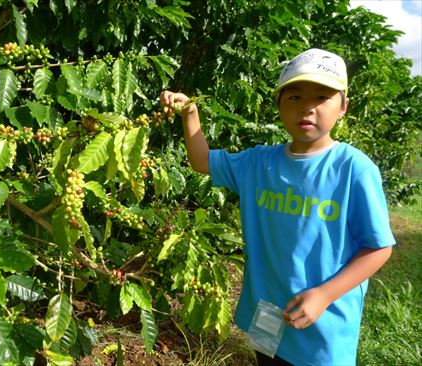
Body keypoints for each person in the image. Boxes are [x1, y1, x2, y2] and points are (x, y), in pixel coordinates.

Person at [160, 48, 395, 365]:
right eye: (295, 97)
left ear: (343, 107)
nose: (307, 108)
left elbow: (379, 247)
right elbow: (202, 161)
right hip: (267, 314)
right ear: (279, 105)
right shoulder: (258, 163)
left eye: (322, 97)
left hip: (323, 328)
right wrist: (190, 114)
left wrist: (324, 295)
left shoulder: (353, 170)